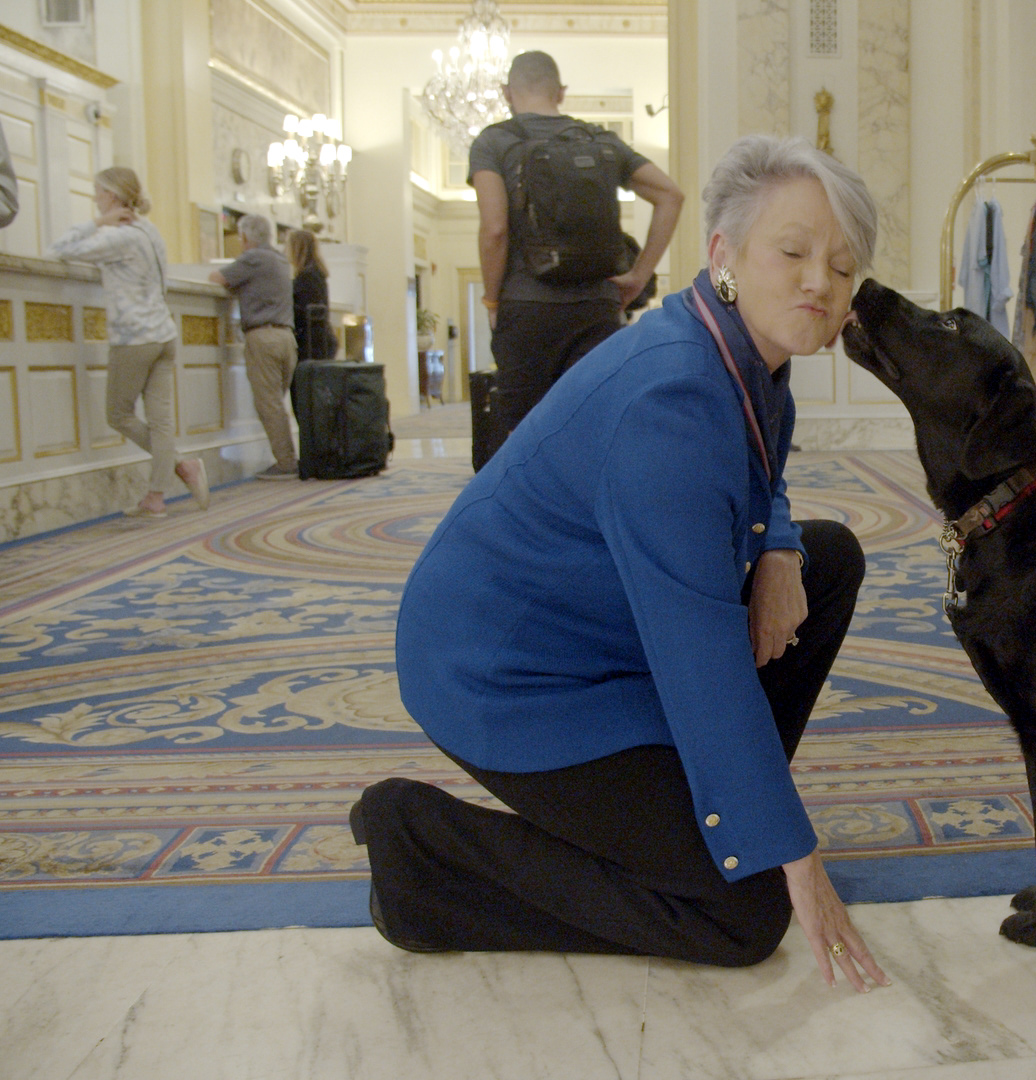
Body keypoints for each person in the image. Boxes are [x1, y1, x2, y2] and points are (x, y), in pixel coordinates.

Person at [353, 135, 888, 991]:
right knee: (744, 914)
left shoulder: (738, 352)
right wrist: (795, 854)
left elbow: (758, 476)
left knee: (826, 561)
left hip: (597, 634)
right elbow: (697, 653)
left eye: (842, 266)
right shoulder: (671, 403)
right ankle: (419, 844)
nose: (819, 282)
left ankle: (708, 803)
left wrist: (779, 545)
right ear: (724, 255)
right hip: (506, 675)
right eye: (792, 253)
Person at [470, 49, 684, 467]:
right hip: (597, 307)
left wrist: (493, 301)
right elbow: (671, 195)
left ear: (507, 92)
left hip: (526, 307)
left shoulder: (494, 141)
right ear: (561, 92)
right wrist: (639, 275)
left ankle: (528, 507)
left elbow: (494, 230)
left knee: (521, 440)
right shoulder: (601, 141)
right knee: (595, 430)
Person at [50, 168, 208, 517]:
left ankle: (182, 467)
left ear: (112, 195)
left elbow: (57, 249)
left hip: (135, 337)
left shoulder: (119, 237)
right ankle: (156, 496)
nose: (95, 198)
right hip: (164, 333)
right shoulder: (149, 230)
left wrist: (97, 222)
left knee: (118, 414)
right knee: (161, 422)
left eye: (98, 192)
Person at [211, 214, 300, 480]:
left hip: (263, 337)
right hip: (286, 337)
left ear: (245, 237)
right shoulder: (280, 260)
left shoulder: (253, 258)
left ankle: (286, 463)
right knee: (276, 403)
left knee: (268, 404)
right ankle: (287, 457)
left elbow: (216, 278)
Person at [286, 228, 335, 361]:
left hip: (311, 344)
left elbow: (303, 310)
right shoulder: (316, 273)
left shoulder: (307, 277)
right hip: (320, 340)